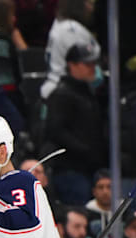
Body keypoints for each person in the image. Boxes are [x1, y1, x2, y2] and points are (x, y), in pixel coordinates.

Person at [44, 43, 106, 206]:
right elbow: (55, 131)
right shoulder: (62, 94)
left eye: (94, 64)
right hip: (70, 170)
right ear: (72, 65)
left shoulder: (86, 92)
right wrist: (86, 150)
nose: (92, 68)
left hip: (89, 169)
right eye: (87, 64)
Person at [40, 0, 99, 100]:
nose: (92, 8)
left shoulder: (59, 24)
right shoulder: (72, 30)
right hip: (66, 96)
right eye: (89, 3)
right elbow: (84, 63)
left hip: (59, 90)